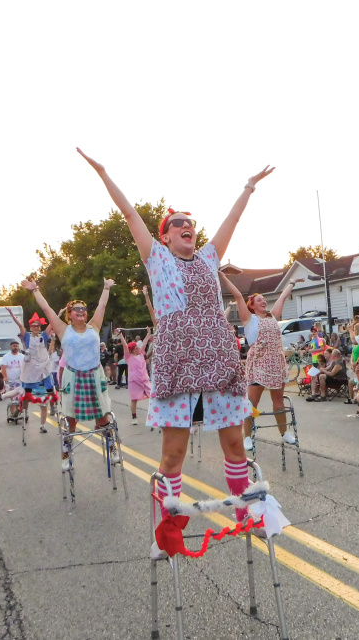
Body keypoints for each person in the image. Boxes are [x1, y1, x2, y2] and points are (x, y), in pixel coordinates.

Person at [77, 146, 272, 552]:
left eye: (191, 223)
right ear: (165, 235)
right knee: (173, 455)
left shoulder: (209, 257)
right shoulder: (157, 259)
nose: (187, 227)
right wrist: (104, 174)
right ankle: (169, 528)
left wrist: (248, 187)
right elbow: (129, 213)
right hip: (178, 363)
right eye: (177, 223)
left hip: (217, 359)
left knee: (234, 444)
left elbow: (232, 220)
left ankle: (245, 515)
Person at [21, 277, 119, 464]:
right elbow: (47, 309)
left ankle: (112, 448)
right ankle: (66, 455)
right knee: (70, 420)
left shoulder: (94, 326)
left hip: (94, 375)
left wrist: (106, 288)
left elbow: (102, 306)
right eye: (77, 309)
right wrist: (35, 290)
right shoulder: (63, 330)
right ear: (70, 314)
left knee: (103, 418)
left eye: (84, 309)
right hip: (73, 377)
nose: (81, 311)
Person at [218, 272, 300, 450]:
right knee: (251, 402)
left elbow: (282, 297)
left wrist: (292, 282)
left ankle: (284, 433)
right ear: (252, 305)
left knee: (278, 401)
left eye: (264, 299)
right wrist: (223, 277)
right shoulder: (249, 319)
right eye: (259, 300)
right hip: (258, 364)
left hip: (276, 363)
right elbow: (238, 295)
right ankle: (247, 436)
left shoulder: (273, 316)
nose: (264, 301)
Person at [6, 309, 55, 434]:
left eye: (38, 326)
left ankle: (45, 419)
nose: (36, 328)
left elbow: (52, 323)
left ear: (40, 327)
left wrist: (58, 315)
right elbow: (20, 326)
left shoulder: (43, 336)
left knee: (48, 392)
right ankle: (21, 409)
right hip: (31, 369)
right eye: (33, 326)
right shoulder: (27, 337)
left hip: (42, 368)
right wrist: (12, 315)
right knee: (26, 394)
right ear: (31, 327)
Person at [117, 327, 153, 425]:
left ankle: (153, 415)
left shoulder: (141, 354)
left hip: (145, 380)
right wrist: (120, 335)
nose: (138, 348)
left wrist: (148, 333)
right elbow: (125, 346)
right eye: (136, 347)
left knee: (153, 396)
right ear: (132, 350)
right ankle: (134, 417)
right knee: (134, 399)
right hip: (134, 381)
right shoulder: (128, 357)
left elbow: (144, 343)